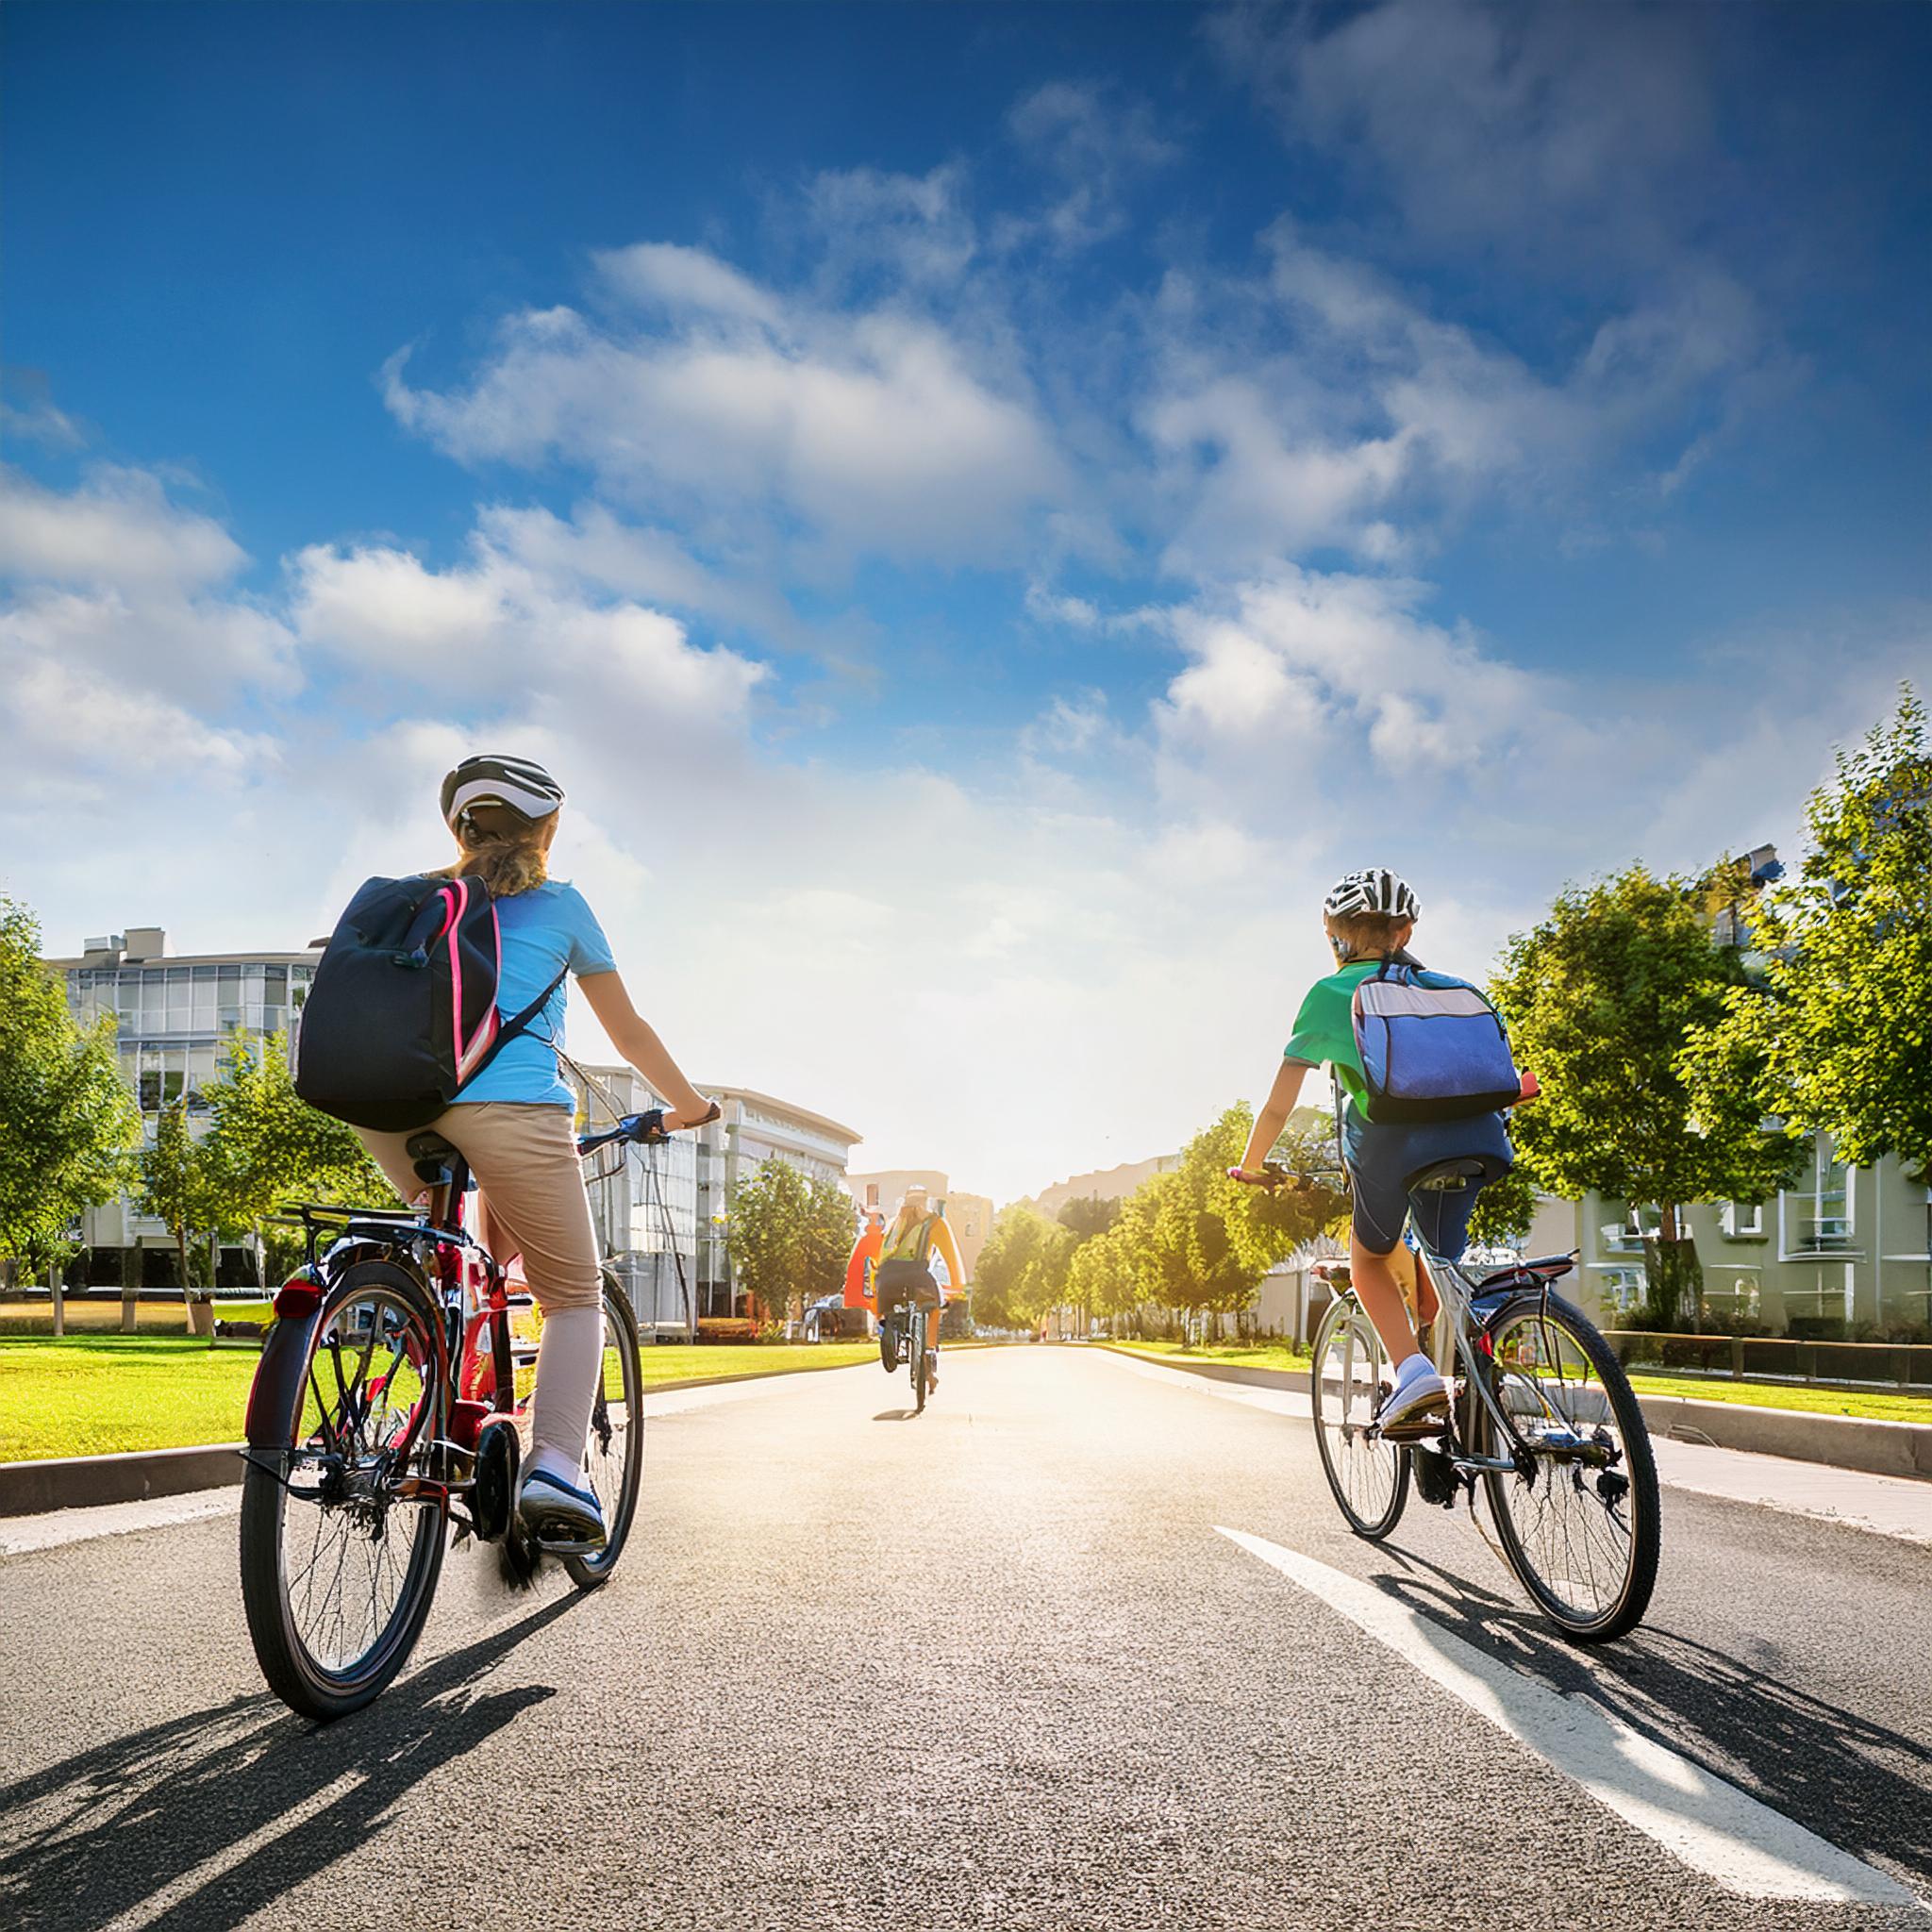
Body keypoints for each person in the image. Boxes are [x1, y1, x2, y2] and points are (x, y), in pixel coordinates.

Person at [353, 754, 719, 1545]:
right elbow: (628, 1032)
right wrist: (688, 1106)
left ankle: (430, 1400)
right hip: (509, 1110)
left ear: (458, 830)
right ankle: (555, 1462)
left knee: (449, 1250)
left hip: (382, 1105)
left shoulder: (418, 900)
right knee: (572, 1295)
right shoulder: (562, 904)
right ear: (547, 832)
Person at [1226, 868, 1512, 1438]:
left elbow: (1280, 1106)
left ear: (1336, 935)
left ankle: (1414, 1373)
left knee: (1370, 1261)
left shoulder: (1334, 993)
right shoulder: (1458, 989)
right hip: (1480, 1141)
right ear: (1404, 932)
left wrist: (1252, 1164)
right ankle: (1487, 1363)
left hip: (1392, 1147)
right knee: (1444, 1260)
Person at [843, 1186, 966, 1393]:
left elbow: (880, 1256)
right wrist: (956, 1284)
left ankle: (891, 1328)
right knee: (933, 1307)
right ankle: (928, 1355)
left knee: (891, 1307)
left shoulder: (894, 1223)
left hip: (887, 1277)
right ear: (925, 1201)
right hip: (917, 1275)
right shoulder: (934, 1223)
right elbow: (951, 1258)